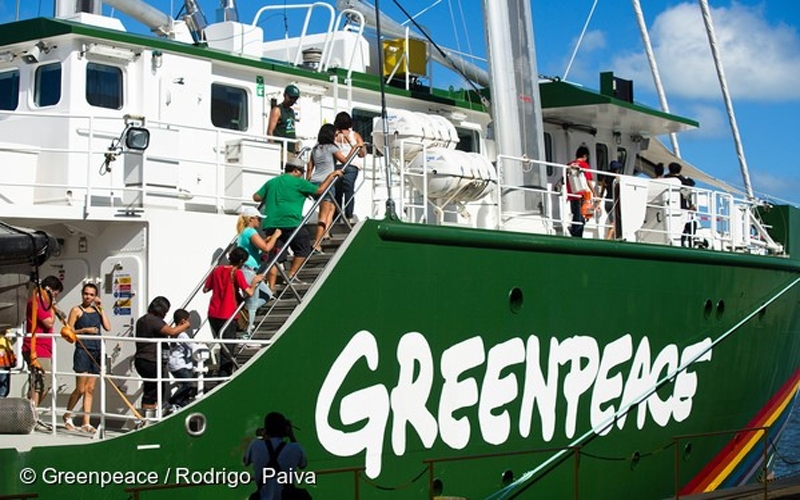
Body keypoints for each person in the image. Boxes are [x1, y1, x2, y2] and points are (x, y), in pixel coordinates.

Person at [253, 159, 343, 291]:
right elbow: (320, 190)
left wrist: (271, 195)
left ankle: (271, 288)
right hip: (290, 222)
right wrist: (331, 175)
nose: (302, 174)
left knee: (275, 256)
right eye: (301, 172)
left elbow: (256, 197)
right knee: (304, 246)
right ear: (295, 170)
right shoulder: (299, 183)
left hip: (271, 223)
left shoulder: (271, 182)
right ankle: (291, 275)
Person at [203, 247, 264, 377]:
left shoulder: (216, 270)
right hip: (228, 314)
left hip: (213, 313)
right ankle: (223, 377)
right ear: (241, 261)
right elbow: (249, 292)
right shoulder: (236, 273)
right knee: (228, 348)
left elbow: (205, 289)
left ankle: (220, 374)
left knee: (222, 345)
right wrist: (254, 282)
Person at [63, 282, 111, 433]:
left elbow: (108, 327)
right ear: (82, 294)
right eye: (86, 294)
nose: (88, 297)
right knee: (81, 388)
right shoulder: (76, 310)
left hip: (96, 351)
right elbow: (68, 332)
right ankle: (67, 415)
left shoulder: (97, 310)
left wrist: (101, 308)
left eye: (91, 294)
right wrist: (84, 330)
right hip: (83, 350)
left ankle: (86, 422)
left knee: (90, 388)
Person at [134, 296, 191, 415]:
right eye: (165, 311)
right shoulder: (153, 320)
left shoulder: (142, 320)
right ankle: (148, 419)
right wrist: (185, 326)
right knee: (152, 391)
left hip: (142, 359)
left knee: (152, 389)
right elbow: (172, 332)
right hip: (151, 360)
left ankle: (149, 415)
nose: (165, 314)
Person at [237, 207, 282, 333]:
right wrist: (275, 236)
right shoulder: (250, 231)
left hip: (249, 270)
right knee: (252, 306)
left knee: (267, 294)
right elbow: (266, 248)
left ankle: (243, 312)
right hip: (248, 271)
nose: (260, 222)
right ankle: (247, 333)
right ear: (251, 219)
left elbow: (259, 246)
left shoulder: (244, 232)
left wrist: (267, 240)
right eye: (258, 219)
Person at [244, 411, 308, 500]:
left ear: (266, 429)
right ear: (285, 430)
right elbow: (303, 464)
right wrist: (292, 436)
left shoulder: (255, 445)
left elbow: (245, 461)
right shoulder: (295, 448)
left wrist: (263, 438)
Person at [23, 275, 63, 412]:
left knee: (41, 383)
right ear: (50, 290)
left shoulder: (42, 303)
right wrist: (52, 306)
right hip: (36, 347)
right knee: (41, 383)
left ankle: (30, 412)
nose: (55, 297)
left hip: (43, 347)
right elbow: (48, 322)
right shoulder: (37, 302)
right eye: (55, 294)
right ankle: (30, 412)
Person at [307, 123, 349, 252]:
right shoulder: (332, 148)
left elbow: (310, 168)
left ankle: (325, 233)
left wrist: (307, 184)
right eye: (335, 135)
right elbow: (345, 161)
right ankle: (316, 243)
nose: (336, 137)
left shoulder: (315, 149)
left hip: (314, 182)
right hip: (327, 182)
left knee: (331, 208)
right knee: (323, 215)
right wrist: (354, 149)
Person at [333, 111, 366, 223]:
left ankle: (336, 217)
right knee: (349, 191)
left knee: (337, 192)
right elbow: (362, 153)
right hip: (352, 165)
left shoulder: (334, 135)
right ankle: (349, 215)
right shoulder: (355, 135)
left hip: (337, 165)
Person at [166, 308, 196, 411]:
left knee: (184, 385)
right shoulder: (182, 335)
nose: (189, 323)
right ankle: (172, 401)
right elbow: (192, 346)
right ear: (183, 321)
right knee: (189, 384)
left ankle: (182, 404)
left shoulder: (173, 332)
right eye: (188, 320)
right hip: (179, 364)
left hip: (173, 364)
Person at [665, 162, 697, 247]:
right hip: (680, 208)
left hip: (666, 207)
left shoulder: (665, 179)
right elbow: (690, 185)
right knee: (690, 224)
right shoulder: (681, 181)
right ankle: (687, 243)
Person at [565, 146, 594, 238]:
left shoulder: (569, 164)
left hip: (571, 194)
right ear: (585, 156)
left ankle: (574, 231)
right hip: (580, 194)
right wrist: (595, 193)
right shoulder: (584, 165)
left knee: (576, 215)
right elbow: (588, 180)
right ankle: (576, 236)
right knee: (580, 218)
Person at [267, 84, 301, 156]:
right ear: (285, 95)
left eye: (295, 98)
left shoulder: (291, 111)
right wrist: (274, 150)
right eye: (291, 97)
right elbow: (270, 131)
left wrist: (296, 147)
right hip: (281, 149)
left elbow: (291, 130)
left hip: (291, 150)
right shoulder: (277, 110)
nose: (293, 100)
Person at [598, 160, 622, 240]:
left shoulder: (605, 179)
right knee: (614, 223)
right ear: (617, 170)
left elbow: (601, 192)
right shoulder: (617, 179)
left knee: (613, 221)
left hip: (607, 203)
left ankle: (613, 239)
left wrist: (598, 203)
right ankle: (607, 239)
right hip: (613, 202)